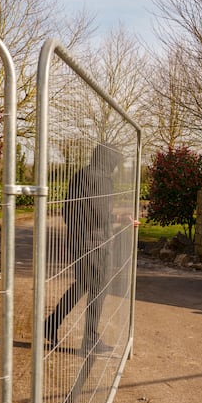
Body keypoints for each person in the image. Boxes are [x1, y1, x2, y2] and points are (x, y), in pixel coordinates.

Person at [44, 143, 122, 354]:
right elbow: (96, 213)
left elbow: (73, 211)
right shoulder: (96, 177)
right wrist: (118, 219)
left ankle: (51, 324)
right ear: (107, 159)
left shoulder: (87, 174)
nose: (116, 166)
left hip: (86, 240)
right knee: (99, 288)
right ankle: (90, 339)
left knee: (84, 285)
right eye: (115, 160)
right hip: (92, 242)